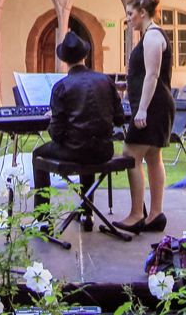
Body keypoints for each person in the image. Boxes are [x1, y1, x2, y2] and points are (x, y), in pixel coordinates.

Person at [31, 31, 124, 219]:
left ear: (64, 60)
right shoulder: (106, 81)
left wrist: (53, 117)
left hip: (74, 152)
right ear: (85, 55)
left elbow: (56, 134)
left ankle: (42, 219)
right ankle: (86, 214)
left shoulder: (61, 86)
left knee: (38, 155)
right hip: (103, 151)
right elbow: (120, 119)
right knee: (86, 146)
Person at [117, 0, 173, 232]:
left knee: (130, 155)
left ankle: (137, 214)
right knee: (152, 157)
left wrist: (141, 110)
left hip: (153, 107)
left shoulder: (151, 37)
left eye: (130, 14)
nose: (129, 18)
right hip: (156, 105)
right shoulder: (150, 35)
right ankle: (155, 214)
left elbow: (152, 75)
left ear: (142, 12)